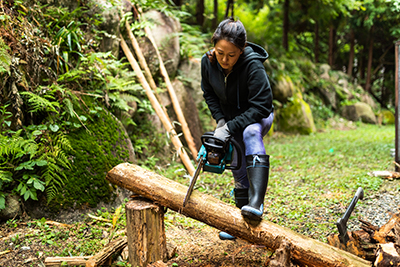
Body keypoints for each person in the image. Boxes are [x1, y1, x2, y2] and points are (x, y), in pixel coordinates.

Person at [201, 17, 274, 240]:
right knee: (235, 154)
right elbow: (209, 94)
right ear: (214, 45)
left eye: (231, 55)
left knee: (250, 132)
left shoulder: (253, 65)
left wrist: (231, 126)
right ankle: (242, 222)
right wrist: (221, 121)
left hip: (258, 116)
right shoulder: (208, 62)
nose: (225, 59)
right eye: (220, 52)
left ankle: (256, 203)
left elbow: (262, 105)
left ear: (241, 50)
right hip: (231, 119)